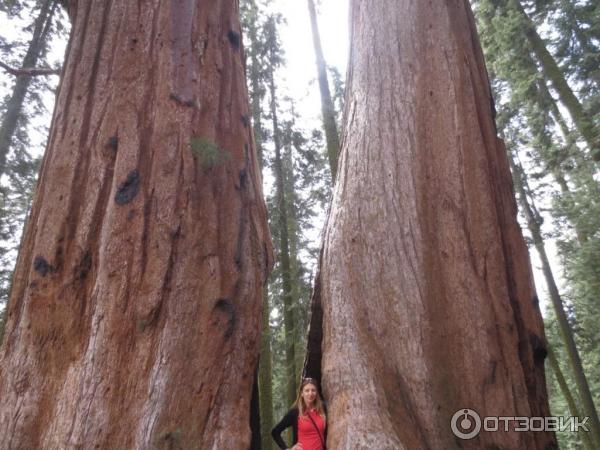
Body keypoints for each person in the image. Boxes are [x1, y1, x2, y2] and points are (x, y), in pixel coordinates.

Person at [272, 377, 327, 450]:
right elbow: (275, 432)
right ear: (302, 393)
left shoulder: (322, 409)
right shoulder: (295, 412)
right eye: (307, 391)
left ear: (316, 392)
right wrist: (286, 448)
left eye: (313, 390)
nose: (310, 393)